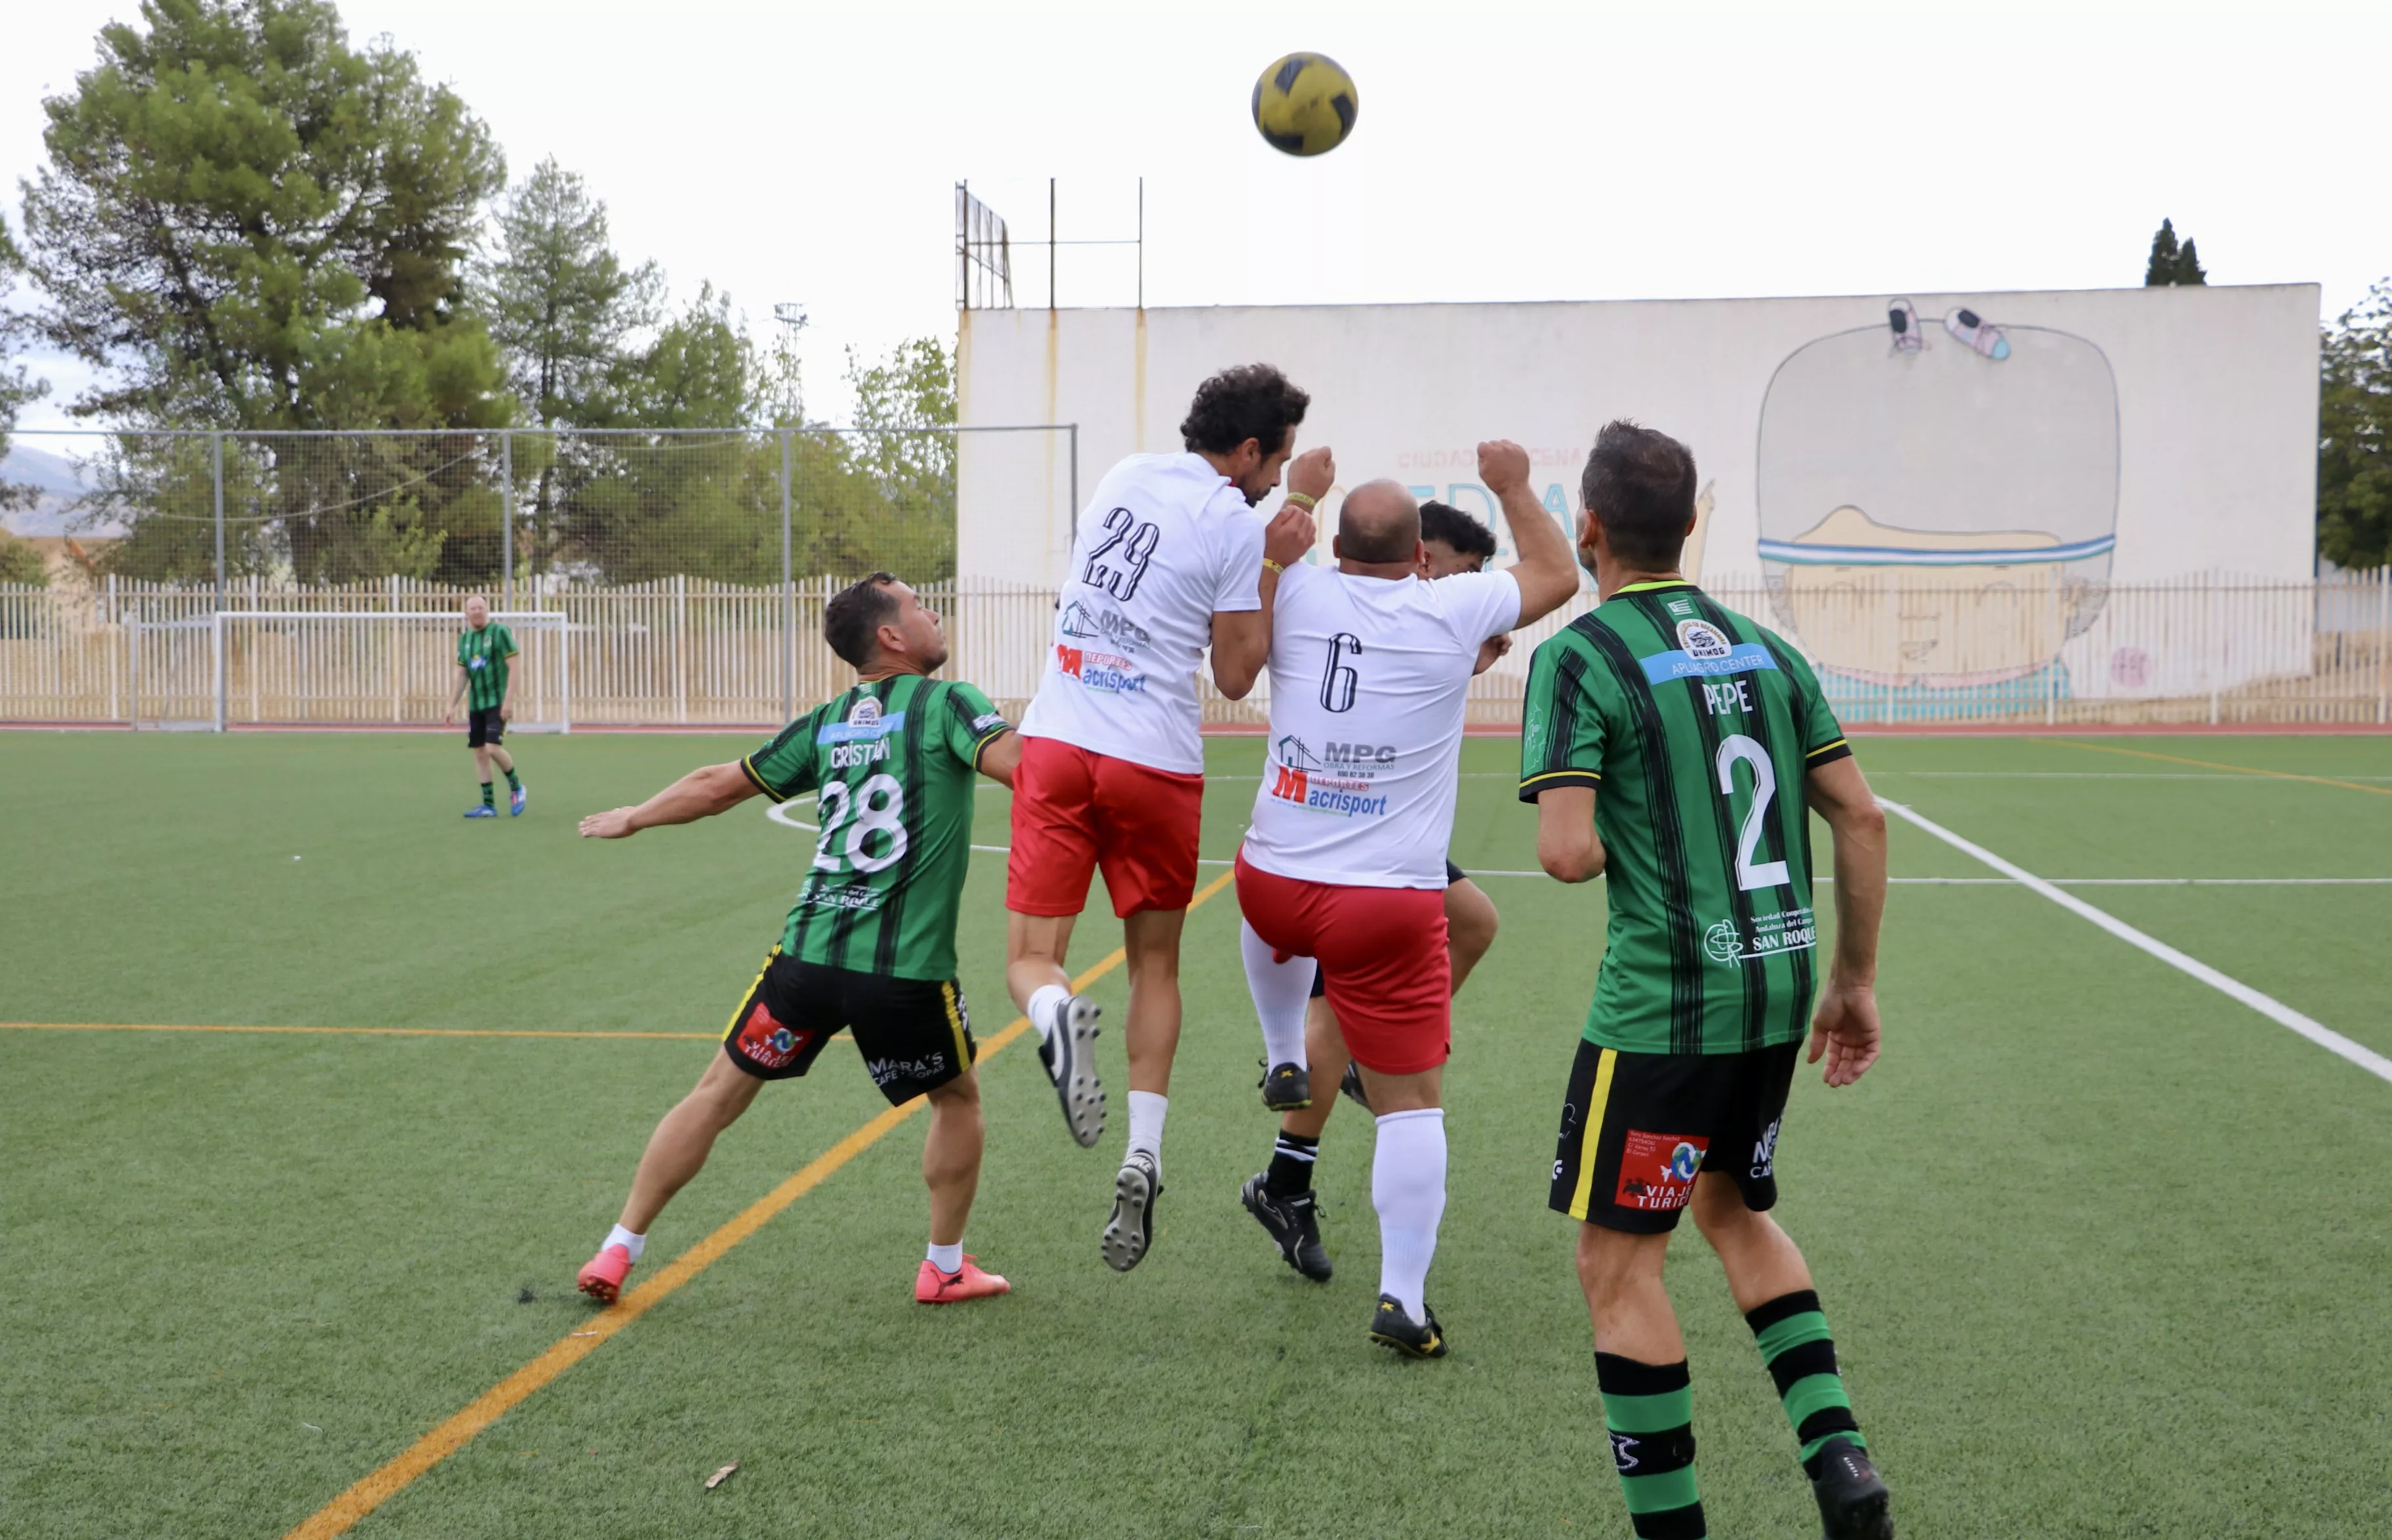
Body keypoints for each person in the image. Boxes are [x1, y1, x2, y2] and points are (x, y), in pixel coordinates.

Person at [1522, 420, 1894, 1539]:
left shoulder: (1578, 655)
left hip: (1664, 1010)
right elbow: (1861, 815)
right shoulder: (1766, 651)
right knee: (1732, 1205)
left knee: (1617, 1262)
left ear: (1586, 528)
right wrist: (1854, 981)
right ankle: (1838, 1453)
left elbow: (1566, 852)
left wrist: (1607, 830)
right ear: (1692, 524)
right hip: (1775, 990)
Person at [574, 573, 1026, 1308]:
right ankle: (943, 1267)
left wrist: (638, 814)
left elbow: (720, 782)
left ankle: (618, 1246)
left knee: (715, 1093)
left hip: (804, 961)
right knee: (956, 1096)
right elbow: (1024, 770)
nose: (932, 613)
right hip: (900, 971)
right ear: (889, 635)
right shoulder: (950, 702)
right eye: (919, 606)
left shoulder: (826, 721)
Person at [1234, 443, 1580, 1356]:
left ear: (1330, 541)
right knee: (1410, 1099)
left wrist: (1294, 494)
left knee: (1471, 921)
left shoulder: (1295, 587)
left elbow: (1250, 575)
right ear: (1421, 558)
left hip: (1274, 876)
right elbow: (1556, 572)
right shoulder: (1444, 608)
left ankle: (1290, 1092)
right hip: (1378, 893)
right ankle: (1390, 1287)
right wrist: (1509, 482)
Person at [1005, 363, 1326, 1273]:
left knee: (1031, 959)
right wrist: (1274, 556)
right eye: (1276, 463)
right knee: (1154, 963)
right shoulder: (1235, 523)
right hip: (1151, 758)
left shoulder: (1122, 474)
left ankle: (1057, 1014)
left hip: (1060, 739)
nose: (1274, 480)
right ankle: (1141, 1151)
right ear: (1250, 449)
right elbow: (1231, 675)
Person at [1246, 500, 1514, 1287]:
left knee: (1472, 922)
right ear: (1423, 553)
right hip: (1343, 847)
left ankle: (1288, 1174)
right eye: (1458, 570)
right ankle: (1289, 1172)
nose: (1454, 586)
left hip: (1346, 844)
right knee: (1341, 1002)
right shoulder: (1347, 593)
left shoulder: (1392, 600)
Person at [445, 595, 525, 817]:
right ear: (466, 613)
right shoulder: (465, 640)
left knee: (492, 748)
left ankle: (517, 787)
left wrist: (508, 700)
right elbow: (462, 674)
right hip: (476, 704)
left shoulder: (500, 633)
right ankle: (488, 805)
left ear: (487, 610)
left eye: (481, 607)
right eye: (473, 608)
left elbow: (515, 666)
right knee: (480, 751)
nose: (477, 611)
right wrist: (451, 705)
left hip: (497, 703)